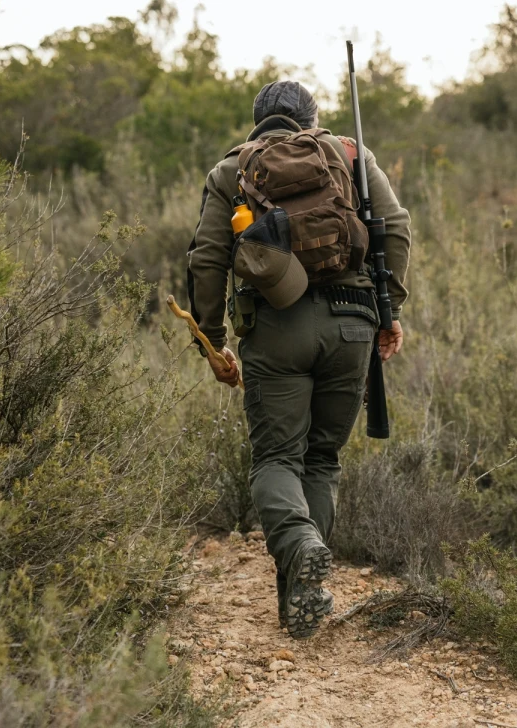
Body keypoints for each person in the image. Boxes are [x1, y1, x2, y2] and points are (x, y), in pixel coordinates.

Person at [186, 80, 411, 638]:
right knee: (321, 460)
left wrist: (211, 339)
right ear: (312, 118)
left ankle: (300, 547)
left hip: (276, 329)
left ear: (257, 121)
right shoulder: (350, 155)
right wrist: (389, 310)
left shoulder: (232, 170)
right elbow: (396, 228)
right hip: (352, 325)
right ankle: (300, 598)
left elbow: (208, 258)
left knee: (276, 459)